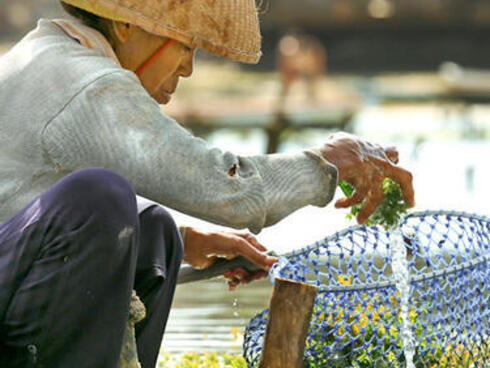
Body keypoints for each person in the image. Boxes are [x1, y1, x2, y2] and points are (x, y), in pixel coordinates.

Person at [0, 0, 415, 367]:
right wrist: (327, 162)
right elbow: (232, 192)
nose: (189, 67)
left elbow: (23, 218)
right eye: (185, 45)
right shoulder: (84, 82)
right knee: (101, 200)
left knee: (156, 230)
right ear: (125, 26)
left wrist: (184, 242)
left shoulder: (48, 51)